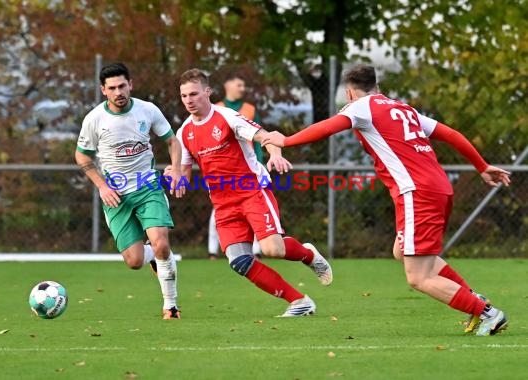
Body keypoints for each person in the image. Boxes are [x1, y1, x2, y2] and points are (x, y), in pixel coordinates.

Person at [261, 64, 511, 335]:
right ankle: (476, 301)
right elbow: (452, 135)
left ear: (349, 93)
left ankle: (487, 312)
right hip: (436, 187)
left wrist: (286, 141)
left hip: (417, 193)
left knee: (419, 277)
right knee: (402, 251)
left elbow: (326, 128)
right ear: (377, 87)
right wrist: (482, 166)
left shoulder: (360, 107)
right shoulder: (404, 109)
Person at [171, 68, 333, 317]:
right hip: (223, 204)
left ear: (207, 92)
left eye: (194, 94)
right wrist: (175, 178)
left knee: (272, 250)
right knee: (240, 262)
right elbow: (184, 174)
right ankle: (299, 302)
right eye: (184, 96)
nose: (189, 100)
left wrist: (276, 155)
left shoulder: (227, 117)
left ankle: (308, 254)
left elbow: (266, 137)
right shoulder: (184, 132)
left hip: (252, 191)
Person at [75, 62, 182, 319]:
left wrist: (176, 168)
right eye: (112, 88)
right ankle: (157, 258)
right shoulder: (94, 119)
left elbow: (172, 140)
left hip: (148, 187)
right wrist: (101, 186)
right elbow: (81, 156)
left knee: (161, 243)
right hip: (116, 195)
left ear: (130, 85)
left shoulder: (147, 110)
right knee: (134, 261)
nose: (118, 92)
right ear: (104, 90)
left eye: (122, 86)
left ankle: (171, 305)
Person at [208, 72, 263, 260]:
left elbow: (258, 138)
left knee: (253, 207)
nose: (242, 88)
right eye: (239, 84)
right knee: (219, 210)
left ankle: (256, 250)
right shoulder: (216, 109)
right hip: (222, 170)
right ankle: (212, 250)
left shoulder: (249, 109)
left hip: (247, 169)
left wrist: (260, 164)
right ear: (227, 85)